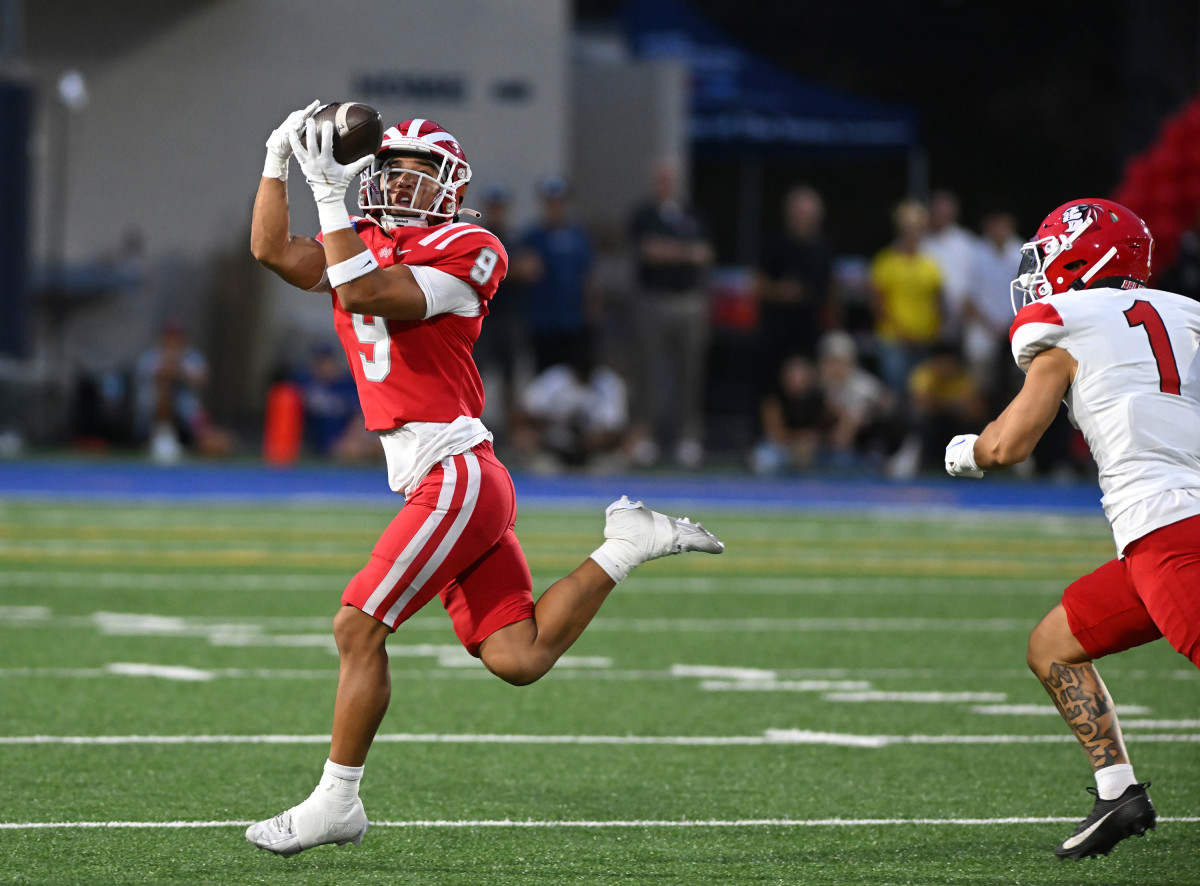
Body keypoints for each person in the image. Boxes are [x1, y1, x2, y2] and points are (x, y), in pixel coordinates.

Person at [245, 103, 724, 857]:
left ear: (450, 185)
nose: (403, 185)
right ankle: (627, 543)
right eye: (394, 170)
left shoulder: (471, 247)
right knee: (519, 656)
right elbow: (271, 248)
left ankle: (337, 802)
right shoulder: (359, 241)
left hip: (454, 473)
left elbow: (368, 292)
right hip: (451, 477)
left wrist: (329, 194)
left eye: (420, 173)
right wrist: (278, 159)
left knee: (356, 625)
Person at [944, 198, 1200, 859]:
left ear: (1087, 255)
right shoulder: (1188, 315)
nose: (1039, 270)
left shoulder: (1069, 324)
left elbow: (1010, 444)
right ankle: (1118, 793)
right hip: (1160, 538)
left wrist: (965, 451)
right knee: (1053, 644)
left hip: (1169, 529)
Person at [627, 157, 714, 469]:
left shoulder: (692, 215)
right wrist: (684, 253)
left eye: (669, 179)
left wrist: (670, 251)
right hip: (654, 301)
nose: (665, 184)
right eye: (660, 178)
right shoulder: (644, 214)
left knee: (689, 373)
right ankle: (646, 435)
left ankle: (687, 437)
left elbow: (704, 254)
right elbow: (649, 252)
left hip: (689, 301)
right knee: (649, 371)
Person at [753, 185, 837, 396]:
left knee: (808, 382)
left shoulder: (825, 248)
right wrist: (780, 291)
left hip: (810, 327)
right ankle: (770, 427)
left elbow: (831, 289)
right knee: (771, 381)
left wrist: (834, 323)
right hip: (776, 327)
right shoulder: (772, 242)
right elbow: (756, 283)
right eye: (798, 212)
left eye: (807, 213)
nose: (803, 217)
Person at [513, 176, 597, 374]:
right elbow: (519, 269)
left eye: (559, 202)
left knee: (572, 379)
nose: (555, 207)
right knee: (546, 380)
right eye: (550, 202)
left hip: (573, 321)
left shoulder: (578, 235)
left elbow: (587, 275)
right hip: (542, 322)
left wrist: (592, 311)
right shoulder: (532, 236)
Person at [869, 199, 944, 396]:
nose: (913, 233)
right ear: (900, 230)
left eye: (918, 228)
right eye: (908, 228)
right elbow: (878, 304)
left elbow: (937, 301)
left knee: (923, 392)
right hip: (894, 341)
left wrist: (935, 330)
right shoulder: (885, 262)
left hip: (924, 341)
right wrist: (901, 333)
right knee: (896, 391)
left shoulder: (930, 264)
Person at [133, 319, 233, 463]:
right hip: (152, 421)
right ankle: (163, 435)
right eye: (169, 337)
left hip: (188, 419)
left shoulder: (191, 357)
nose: (173, 341)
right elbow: (161, 375)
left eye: (176, 337)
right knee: (165, 385)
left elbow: (203, 378)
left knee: (220, 444)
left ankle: (195, 439)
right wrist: (171, 366)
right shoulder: (150, 358)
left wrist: (178, 369)